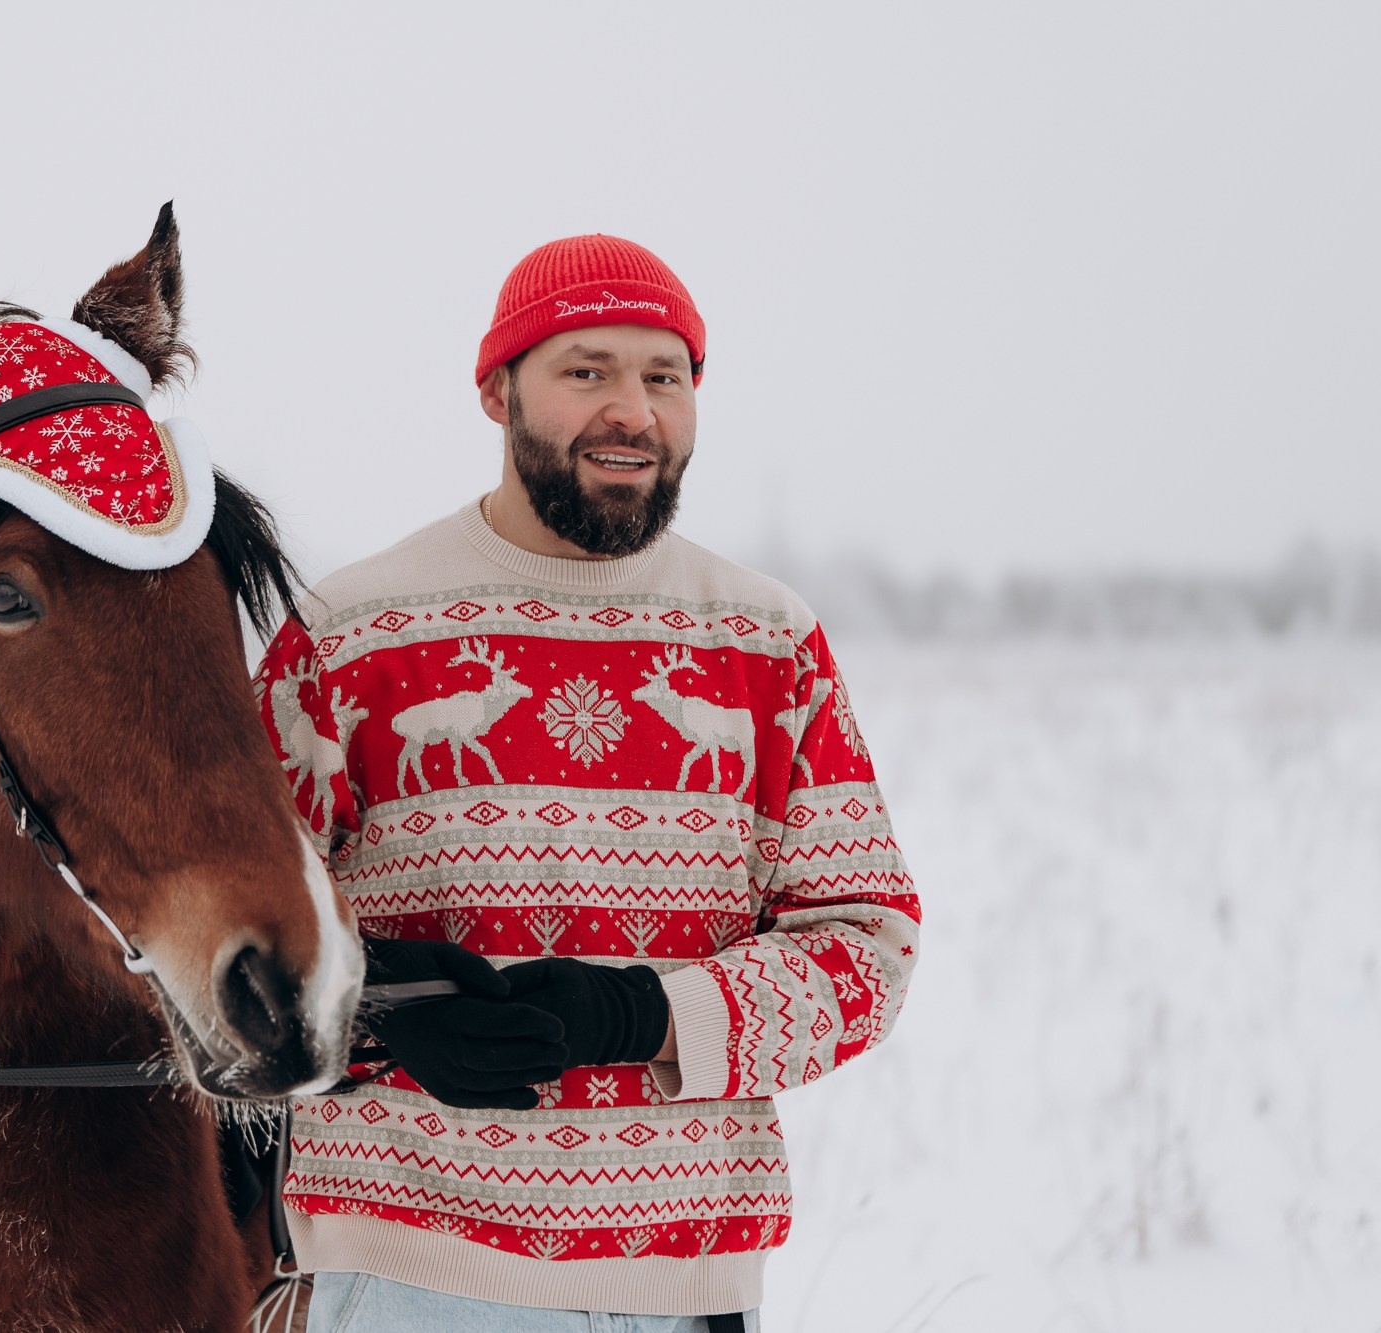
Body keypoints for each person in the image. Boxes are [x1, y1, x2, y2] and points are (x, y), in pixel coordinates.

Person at [254, 235, 920, 1331]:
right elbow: (210, 923)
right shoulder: (350, 636)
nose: (632, 408)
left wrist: (646, 1011)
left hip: (687, 1283)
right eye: (586, 370)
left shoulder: (766, 642)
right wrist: (368, 1006)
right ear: (495, 390)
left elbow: (864, 952)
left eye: (664, 376)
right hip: (411, 1271)